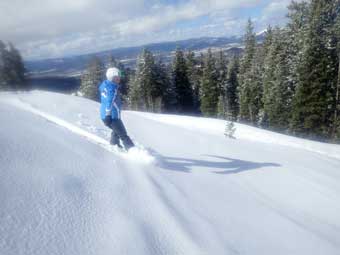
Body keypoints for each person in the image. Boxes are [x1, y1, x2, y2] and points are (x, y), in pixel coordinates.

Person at [99, 67, 134, 150]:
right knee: (123, 135)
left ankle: (114, 145)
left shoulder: (105, 85)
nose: (119, 80)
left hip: (106, 115)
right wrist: (108, 115)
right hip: (112, 117)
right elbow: (110, 102)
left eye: (119, 78)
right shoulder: (112, 89)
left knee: (116, 131)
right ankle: (134, 152)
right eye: (116, 78)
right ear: (111, 78)